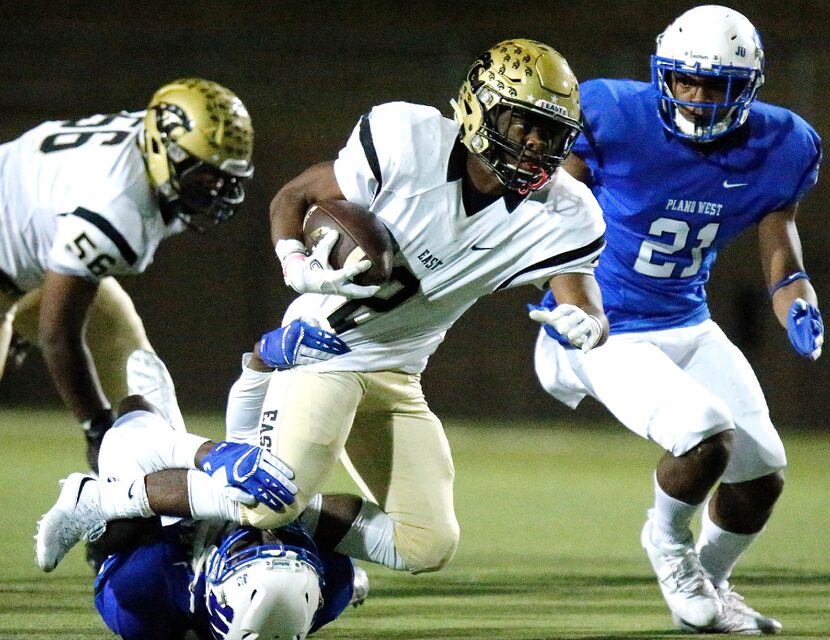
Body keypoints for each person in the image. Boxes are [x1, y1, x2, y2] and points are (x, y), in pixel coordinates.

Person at [243, 38, 609, 579]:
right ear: (480, 108)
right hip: (324, 352)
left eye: (549, 131)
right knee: (265, 502)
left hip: (400, 373)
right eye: (521, 123)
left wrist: (588, 326)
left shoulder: (565, 210)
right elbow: (294, 196)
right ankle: (125, 485)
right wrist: (293, 258)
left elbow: (583, 299)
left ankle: (281, 524)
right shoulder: (408, 141)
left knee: (426, 544)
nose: (535, 143)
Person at [531, 5, 823, 635]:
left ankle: (713, 586)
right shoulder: (610, 112)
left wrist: (796, 295)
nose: (695, 96)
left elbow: (781, 246)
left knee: (761, 473)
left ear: (747, 87)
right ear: (661, 71)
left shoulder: (781, 143)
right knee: (703, 434)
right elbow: (551, 214)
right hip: (601, 322)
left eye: (713, 84)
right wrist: (570, 303)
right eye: (683, 79)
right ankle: (668, 545)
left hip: (685, 320)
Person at [35, 335, 366, 640]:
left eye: (247, 550)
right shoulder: (334, 581)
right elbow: (338, 516)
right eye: (290, 548)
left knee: (132, 419)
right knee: (276, 490)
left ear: (217, 590)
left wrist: (116, 517)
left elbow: (123, 539)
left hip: (159, 538)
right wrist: (259, 373)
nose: (270, 536)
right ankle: (197, 449)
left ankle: (99, 497)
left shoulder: (143, 593)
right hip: (217, 549)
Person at [0, 77, 254, 470]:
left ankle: (172, 490)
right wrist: (95, 425)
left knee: (129, 353)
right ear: (162, 148)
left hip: (27, 254)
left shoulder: (153, 139)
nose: (215, 188)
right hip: (14, 264)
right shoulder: (119, 205)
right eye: (204, 173)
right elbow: (57, 335)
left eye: (224, 177)